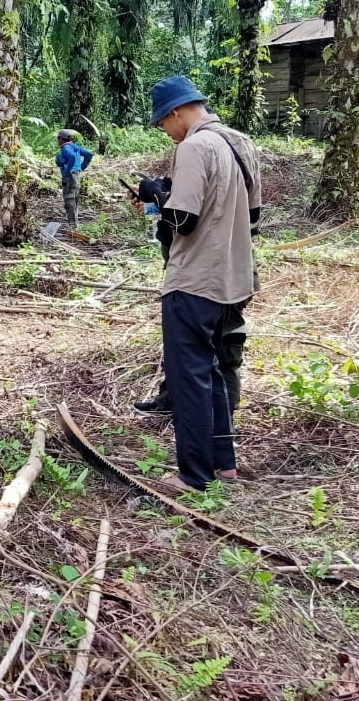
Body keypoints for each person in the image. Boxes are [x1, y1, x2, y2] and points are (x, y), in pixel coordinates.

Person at [133, 75, 262, 492]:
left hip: (194, 280)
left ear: (175, 113)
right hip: (235, 279)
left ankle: (194, 475)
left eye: (163, 126)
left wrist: (157, 197)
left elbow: (182, 221)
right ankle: (225, 464)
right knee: (215, 373)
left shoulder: (193, 147)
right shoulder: (241, 143)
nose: (167, 135)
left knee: (190, 378)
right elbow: (252, 219)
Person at [55, 129, 94, 228]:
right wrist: (81, 167)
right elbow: (89, 154)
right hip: (76, 175)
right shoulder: (75, 147)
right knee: (75, 198)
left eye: (58, 138)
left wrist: (67, 171)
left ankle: (72, 225)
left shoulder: (66, 148)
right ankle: (75, 224)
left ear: (61, 139)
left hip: (70, 176)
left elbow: (71, 157)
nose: (57, 140)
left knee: (69, 199)